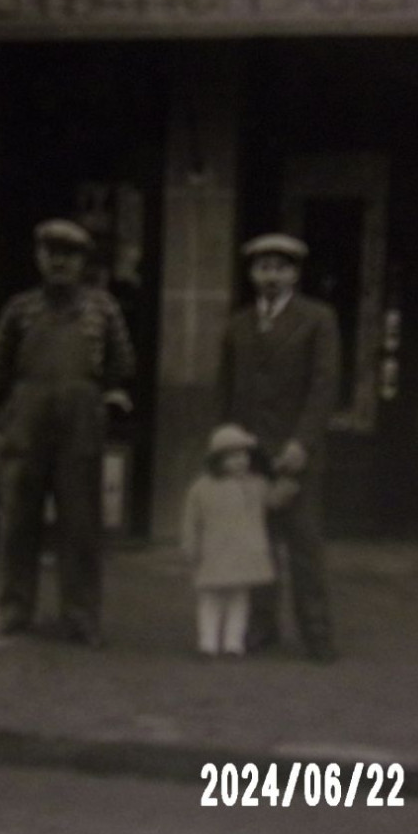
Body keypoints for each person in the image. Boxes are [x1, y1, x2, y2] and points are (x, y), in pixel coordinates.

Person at [0, 218, 134, 646]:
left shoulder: (103, 308)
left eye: (69, 255)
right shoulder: (19, 309)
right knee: (18, 520)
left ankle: (80, 616)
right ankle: (14, 609)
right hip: (28, 420)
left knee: (80, 524)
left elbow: (122, 364)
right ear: (38, 258)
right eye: (51, 253)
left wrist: (92, 398)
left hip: (80, 423)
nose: (59, 263)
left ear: (82, 262)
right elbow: (0, 366)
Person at [216, 233, 341, 662]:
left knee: (304, 544)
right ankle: (261, 626)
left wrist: (303, 442)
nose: (271, 276)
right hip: (250, 451)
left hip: (295, 451)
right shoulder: (237, 325)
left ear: (295, 274)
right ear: (252, 274)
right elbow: (227, 391)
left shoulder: (317, 319)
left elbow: (324, 387)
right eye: (263, 267)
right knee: (257, 544)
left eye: (281, 267)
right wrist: (229, 447)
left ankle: (317, 634)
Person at [181, 424, 299, 658]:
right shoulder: (201, 488)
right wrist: (190, 545)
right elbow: (191, 520)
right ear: (217, 460)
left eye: (244, 455)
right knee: (210, 600)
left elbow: (273, 501)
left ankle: (233, 642)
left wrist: (286, 483)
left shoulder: (256, 484)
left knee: (239, 601)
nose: (241, 461)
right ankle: (208, 643)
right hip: (213, 553)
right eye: (232, 456)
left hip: (244, 554)